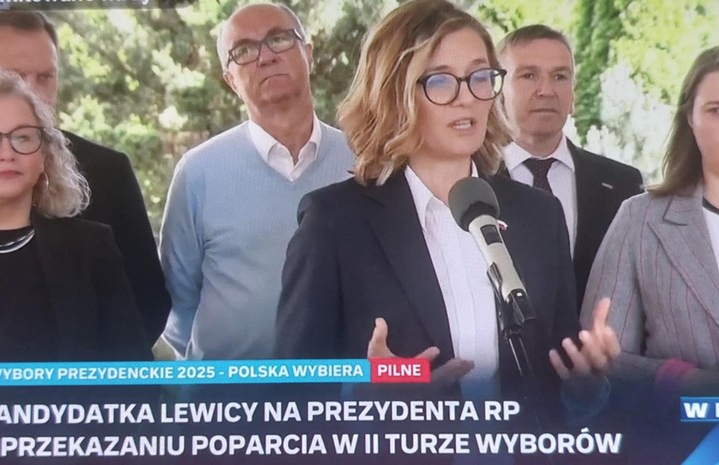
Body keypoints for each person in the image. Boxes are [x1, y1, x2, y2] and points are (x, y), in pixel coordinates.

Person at [275, 0, 619, 430]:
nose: (467, 98)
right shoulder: (334, 223)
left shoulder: (539, 216)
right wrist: (363, 401)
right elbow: (289, 405)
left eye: (479, 77)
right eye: (440, 81)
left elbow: (554, 397)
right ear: (395, 92)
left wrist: (586, 389)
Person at [158, 2, 354, 360]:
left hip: (336, 388)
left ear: (308, 54)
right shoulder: (198, 172)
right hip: (225, 390)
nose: (266, 57)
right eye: (244, 51)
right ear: (231, 80)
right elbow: (177, 301)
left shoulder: (362, 162)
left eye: (279, 39)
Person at [0, 11, 171, 346]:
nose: (31, 92)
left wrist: (82, 372)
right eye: (13, 77)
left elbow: (147, 301)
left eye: (45, 77)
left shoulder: (107, 171)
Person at [0, 67, 151, 372]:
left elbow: (133, 375)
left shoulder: (91, 248)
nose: (7, 153)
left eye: (23, 137)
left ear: (44, 157)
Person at [581, 46, 719, 396]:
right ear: (690, 118)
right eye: (716, 111)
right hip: (678, 427)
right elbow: (604, 363)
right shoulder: (640, 220)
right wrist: (680, 378)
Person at [497, 25, 643, 308]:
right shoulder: (472, 183)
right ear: (499, 91)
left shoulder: (622, 185)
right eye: (529, 75)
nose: (546, 90)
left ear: (573, 94)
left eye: (560, 76)